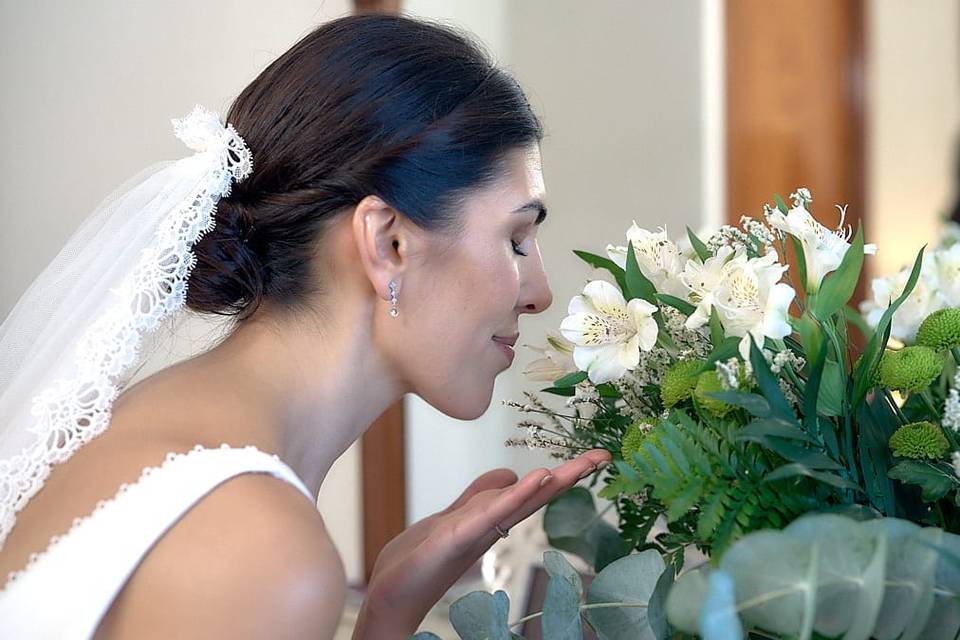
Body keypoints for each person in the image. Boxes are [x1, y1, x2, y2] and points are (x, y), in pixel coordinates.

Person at [0, 13, 610, 639]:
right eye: (515, 239)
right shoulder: (255, 548)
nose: (539, 294)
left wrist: (388, 611)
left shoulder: (149, 421)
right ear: (388, 243)